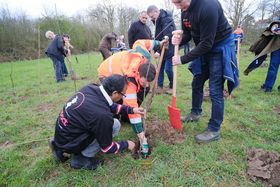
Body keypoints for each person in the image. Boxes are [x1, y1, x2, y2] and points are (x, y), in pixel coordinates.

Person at [171, 0, 239, 143]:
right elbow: (189, 34)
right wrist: (179, 40)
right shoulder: (185, 10)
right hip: (204, 47)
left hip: (219, 47)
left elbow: (207, 43)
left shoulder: (209, 6)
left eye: (179, 2)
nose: (177, 7)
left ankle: (214, 129)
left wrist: (182, 59)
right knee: (197, 81)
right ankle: (195, 113)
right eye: (174, 3)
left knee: (215, 89)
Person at [49, 74, 146, 170]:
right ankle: (82, 158)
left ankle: (58, 147)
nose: (123, 97)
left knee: (113, 123)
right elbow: (107, 148)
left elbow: (110, 106)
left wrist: (133, 110)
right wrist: (127, 144)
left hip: (62, 134)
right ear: (115, 93)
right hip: (70, 143)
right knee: (115, 125)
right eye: (123, 94)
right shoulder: (102, 116)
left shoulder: (91, 88)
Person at [98, 39, 167, 153]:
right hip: (106, 73)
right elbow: (133, 112)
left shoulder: (145, 57)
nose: (147, 85)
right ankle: (116, 116)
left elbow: (140, 42)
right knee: (117, 97)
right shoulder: (129, 82)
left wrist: (159, 43)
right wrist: (142, 138)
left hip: (123, 69)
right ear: (138, 74)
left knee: (143, 90)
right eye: (144, 82)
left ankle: (124, 114)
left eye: (149, 82)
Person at [147, 5, 176, 95]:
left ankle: (172, 86)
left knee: (168, 69)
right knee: (159, 68)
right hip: (162, 48)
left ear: (156, 12)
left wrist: (159, 51)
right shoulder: (157, 20)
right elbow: (158, 37)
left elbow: (167, 35)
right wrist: (156, 49)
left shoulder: (166, 19)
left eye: (152, 16)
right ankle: (159, 86)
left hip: (169, 48)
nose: (152, 18)